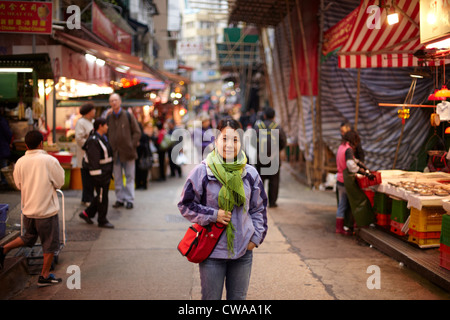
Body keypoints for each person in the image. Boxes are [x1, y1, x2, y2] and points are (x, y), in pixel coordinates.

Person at [178, 118, 268, 300]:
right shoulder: (202, 172)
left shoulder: (250, 173)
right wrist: (213, 215)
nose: (229, 144)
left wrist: (255, 238)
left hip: (243, 252)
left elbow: (258, 209)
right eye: (224, 139)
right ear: (216, 141)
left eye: (234, 140)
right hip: (212, 252)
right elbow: (185, 204)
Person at [0, 130, 65, 286]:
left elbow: (18, 184)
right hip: (46, 211)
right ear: (41, 143)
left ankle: (3, 249)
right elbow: (60, 182)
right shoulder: (49, 160)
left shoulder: (20, 162)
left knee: (29, 237)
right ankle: (44, 275)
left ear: (26, 145)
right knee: (50, 244)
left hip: (28, 210)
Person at [335, 130, 375, 234]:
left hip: (339, 180)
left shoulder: (341, 147)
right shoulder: (348, 149)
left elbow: (354, 160)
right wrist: (365, 173)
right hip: (346, 180)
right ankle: (357, 224)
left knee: (342, 204)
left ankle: (339, 227)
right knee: (358, 201)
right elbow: (351, 166)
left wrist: (362, 166)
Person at [106, 93, 141, 209]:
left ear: (120, 101)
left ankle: (129, 199)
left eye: (116, 100)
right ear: (110, 103)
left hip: (128, 152)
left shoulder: (128, 115)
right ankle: (119, 199)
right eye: (111, 101)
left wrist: (131, 144)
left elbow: (137, 132)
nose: (114, 103)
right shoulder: (108, 117)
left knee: (130, 176)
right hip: (115, 153)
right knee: (117, 177)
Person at [79, 118, 114, 228]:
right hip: (100, 175)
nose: (107, 127)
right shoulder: (94, 140)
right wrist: (99, 177)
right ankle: (102, 220)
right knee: (102, 197)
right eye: (106, 125)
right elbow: (94, 161)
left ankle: (87, 213)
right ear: (100, 126)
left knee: (101, 195)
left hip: (105, 173)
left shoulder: (102, 138)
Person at [253, 107, 287, 208]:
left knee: (260, 181)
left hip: (260, 159)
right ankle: (272, 203)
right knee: (274, 182)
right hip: (274, 159)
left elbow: (252, 142)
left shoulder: (258, 127)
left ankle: (259, 203)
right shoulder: (277, 127)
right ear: (274, 116)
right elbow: (283, 142)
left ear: (264, 116)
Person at [75, 103, 95, 205]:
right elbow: (79, 138)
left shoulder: (92, 121)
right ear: (89, 111)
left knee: (90, 177)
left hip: (91, 154)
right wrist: (89, 144)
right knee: (86, 177)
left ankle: (86, 198)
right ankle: (87, 198)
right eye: (93, 110)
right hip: (84, 154)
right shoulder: (81, 122)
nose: (94, 111)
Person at [135, 123, 152, 189]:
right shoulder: (136, 136)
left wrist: (139, 144)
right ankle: (139, 184)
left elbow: (146, 146)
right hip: (138, 156)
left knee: (143, 171)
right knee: (139, 171)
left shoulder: (144, 136)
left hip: (143, 156)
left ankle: (143, 185)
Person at [0, 114, 12, 189]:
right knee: (3, 165)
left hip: (2, 146)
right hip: (2, 146)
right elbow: (8, 134)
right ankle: (4, 182)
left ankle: (4, 182)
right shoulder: (2, 121)